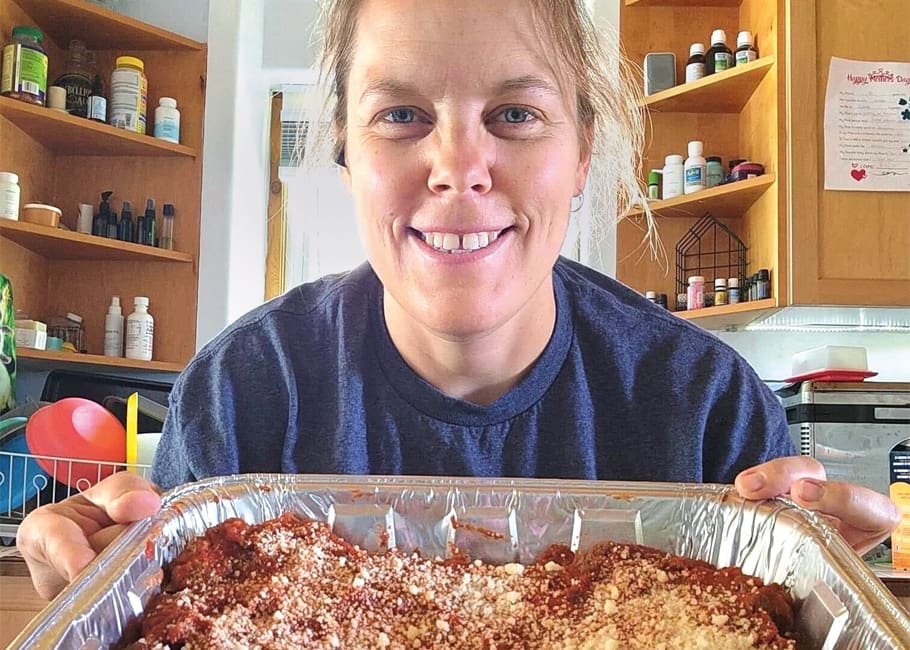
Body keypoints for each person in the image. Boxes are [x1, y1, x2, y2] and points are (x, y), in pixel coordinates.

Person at [18, 0, 898, 601]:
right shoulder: (248, 392)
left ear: (585, 150)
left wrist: (813, 592)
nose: (457, 167)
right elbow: (163, 604)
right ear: (345, 151)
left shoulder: (704, 407)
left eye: (515, 115)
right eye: (400, 114)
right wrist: (101, 579)